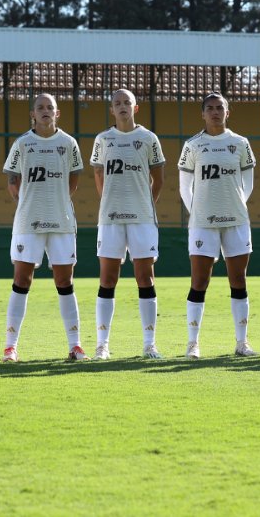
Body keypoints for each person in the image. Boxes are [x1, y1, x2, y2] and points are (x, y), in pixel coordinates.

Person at [2, 93, 88, 362]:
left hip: (61, 222)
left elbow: (74, 180)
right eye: (40, 107)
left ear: (57, 113)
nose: (45, 111)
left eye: (50, 107)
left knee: (64, 281)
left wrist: (56, 200)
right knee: (22, 280)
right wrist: (28, 201)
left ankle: (75, 345)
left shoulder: (68, 143)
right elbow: (12, 180)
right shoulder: (22, 144)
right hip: (28, 222)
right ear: (33, 114)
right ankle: (10, 346)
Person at [177, 93, 257, 359]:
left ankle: (242, 342)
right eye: (210, 108)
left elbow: (248, 183)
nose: (215, 112)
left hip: (236, 221)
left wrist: (232, 206)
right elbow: (185, 187)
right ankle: (192, 343)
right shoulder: (193, 145)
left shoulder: (240, 143)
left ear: (227, 112)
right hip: (202, 223)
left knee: (238, 279)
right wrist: (200, 210)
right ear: (202, 114)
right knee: (199, 280)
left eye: (219, 107)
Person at [90, 88, 165, 360]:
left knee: (145, 277)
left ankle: (149, 344)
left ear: (136, 108)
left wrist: (145, 203)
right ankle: (102, 344)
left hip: (142, 219)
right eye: (117, 103)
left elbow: (158, 177)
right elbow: (98, 173)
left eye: (127, 103)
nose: (122, 106)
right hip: (110, 219)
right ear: (111, 109)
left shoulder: (148, 139)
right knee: (108, 278)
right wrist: (110, 202)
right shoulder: (103, 139)